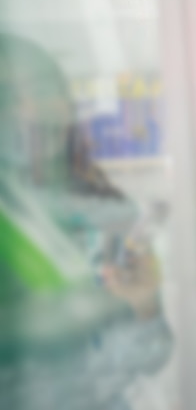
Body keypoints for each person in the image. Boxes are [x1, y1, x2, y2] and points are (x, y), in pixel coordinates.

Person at [0, 32, 173, 409]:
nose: (31, 110)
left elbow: (152, 354)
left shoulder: (108, 209)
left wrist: (143, 305)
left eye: (45, 90)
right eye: (10, 96)